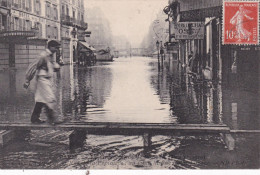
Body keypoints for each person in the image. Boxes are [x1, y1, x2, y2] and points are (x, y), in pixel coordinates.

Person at [24, 40, 61, 124]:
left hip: (47, 79)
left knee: (40, 100)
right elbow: (33, 67)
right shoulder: (43, 56)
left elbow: (50, 66)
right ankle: (52, 119)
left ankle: (34, 118)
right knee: (50, 98)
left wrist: (55, 67)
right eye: (56, 48)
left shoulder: (50, 56)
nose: (57, 50)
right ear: (51, 47)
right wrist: (27, 80)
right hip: (42, 80)